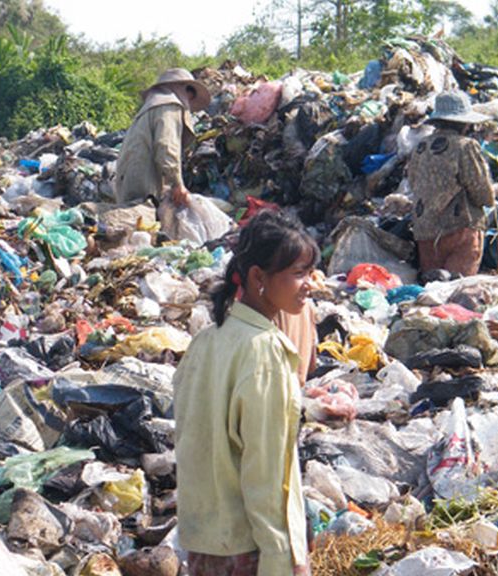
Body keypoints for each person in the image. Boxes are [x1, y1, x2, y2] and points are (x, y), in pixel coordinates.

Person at [174, 210, 319, 576]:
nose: (311, 284)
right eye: (298, 273)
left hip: (203, 543)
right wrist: (285, 558)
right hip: (248, 551)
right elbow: (268, 472)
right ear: (258, 278)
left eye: (310, 272)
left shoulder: (207, 341)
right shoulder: (265, 352)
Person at [406, 90, 496, 278]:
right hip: (460, 228)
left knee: (433, 289)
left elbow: (413, 183)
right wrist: (490, 200)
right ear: (464, 124)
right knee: (456, 288)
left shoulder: (421, 147)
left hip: (425, 233)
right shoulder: (465, 146)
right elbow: (482, 193)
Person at [115, 68, 210, 208]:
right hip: (143, 180)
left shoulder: (152, 106)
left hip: (129, 177)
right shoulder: (169, 106)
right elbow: (166, 146)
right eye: (189, 93)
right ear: (182, 89)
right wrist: (177, 183)